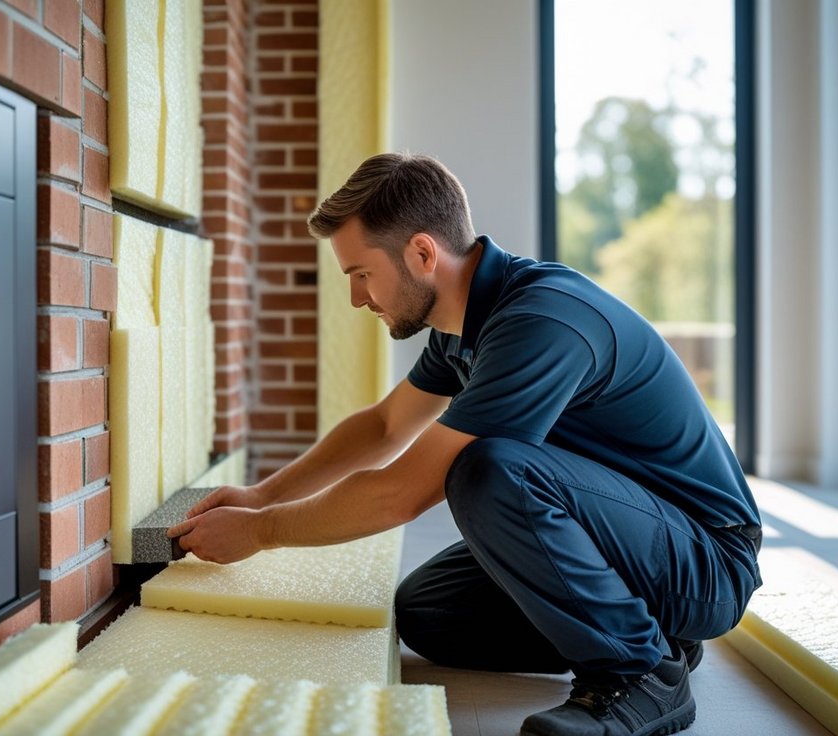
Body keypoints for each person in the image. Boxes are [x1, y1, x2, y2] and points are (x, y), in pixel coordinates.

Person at [167, 152, 762, 736]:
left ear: (423, 253)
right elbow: (383, 427)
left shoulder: (542, 320)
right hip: (636, 542)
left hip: (706, 561)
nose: (356, 298)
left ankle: (641, 674)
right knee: (431, 615)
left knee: (489, 470)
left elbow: (398, 493)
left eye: (360, 274)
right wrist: (259, 495)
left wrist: (262, 531)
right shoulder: (464, 326)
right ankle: (650, 628)